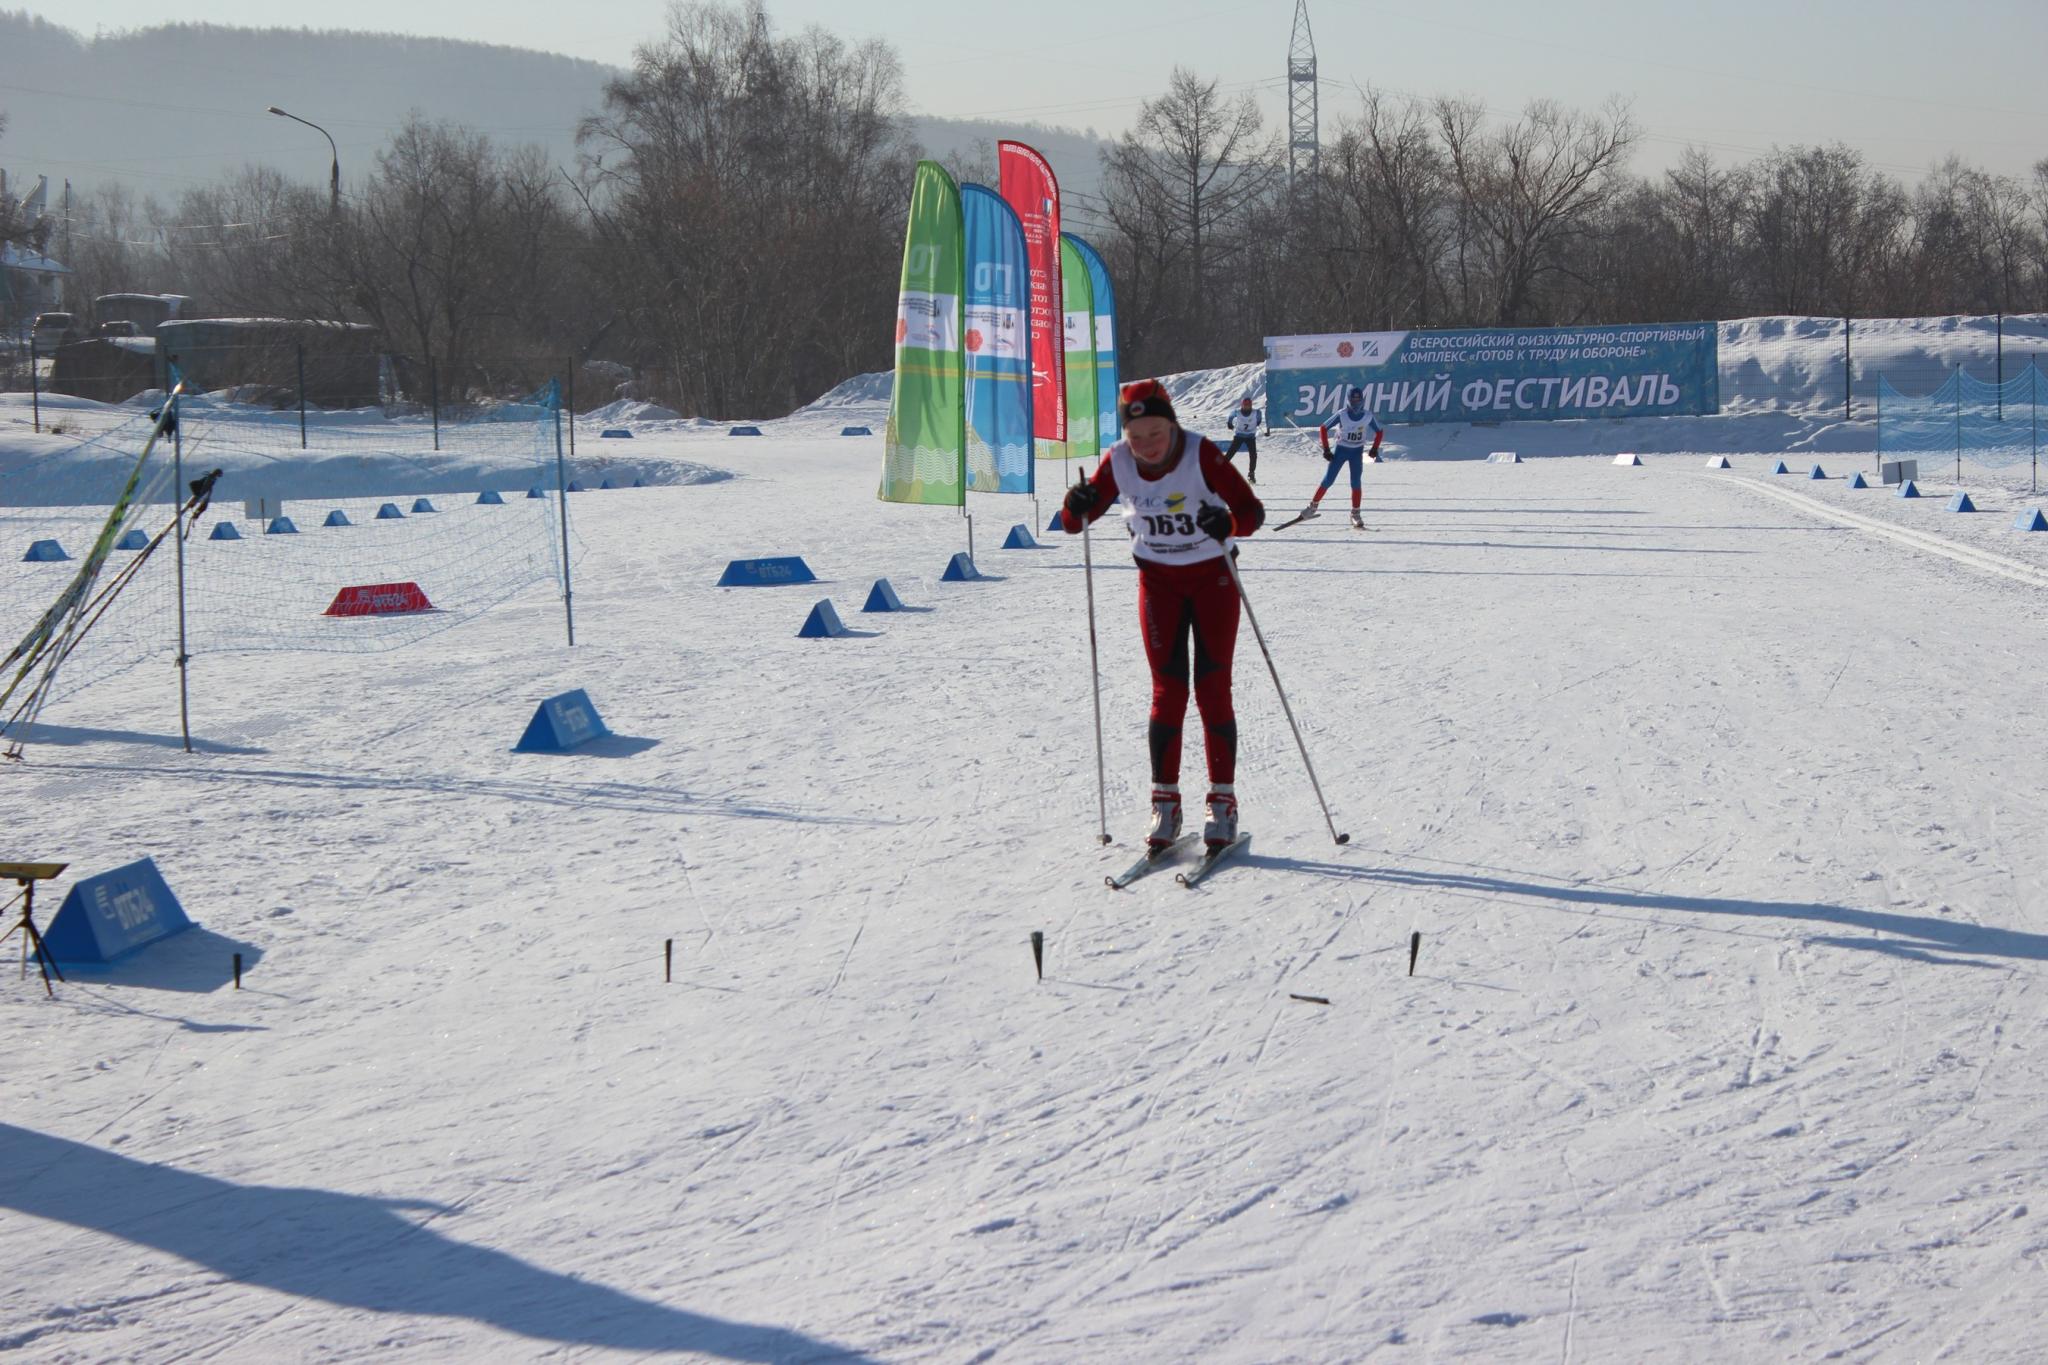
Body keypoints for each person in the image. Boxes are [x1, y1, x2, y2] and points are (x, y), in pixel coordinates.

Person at [1063, 378, 1265, 851]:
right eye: (1137, 437)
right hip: (1159, 585)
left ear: (1172, 426)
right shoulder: (1118, 460)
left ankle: (1222, 802)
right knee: (1167, 691)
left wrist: (1228, 523)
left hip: (1214, 580)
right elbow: (1075, 523)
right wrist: (1077, 504)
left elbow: (1251, 512)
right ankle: (1165, 803)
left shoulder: (1201, 454)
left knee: (1212, 688)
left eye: (1156, 433)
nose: (1148, 445)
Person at [1306, 386, 1384, 529]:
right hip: (1341, 450)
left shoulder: (1367, 415)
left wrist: (1374, 448)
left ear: (1362, 400)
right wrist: (1326, 449)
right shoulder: (1342, 414)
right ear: (1348, 400)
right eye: (1353, 399)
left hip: (1356, 452)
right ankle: (1312, 507)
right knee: (1328, 480)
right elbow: (1323, 428)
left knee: (1356, 482)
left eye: (1358, 399)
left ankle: (1355, 514)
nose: (1355, 403)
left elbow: (1379, 431)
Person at [1223, 396, 1261, 482]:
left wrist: (1258, 422)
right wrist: (1229, 423)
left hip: (1250, 437)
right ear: (1242, 405)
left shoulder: (1256, 412)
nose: (1246, 407)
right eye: (1245, 405)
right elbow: (1231, 416)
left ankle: (1251, 474)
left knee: (1253, 455)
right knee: (1230, 453)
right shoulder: (1237, 412)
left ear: (1251, 405)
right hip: (1239, 436)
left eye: (1248, 405)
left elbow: (1259, 417)